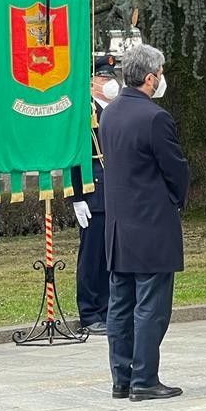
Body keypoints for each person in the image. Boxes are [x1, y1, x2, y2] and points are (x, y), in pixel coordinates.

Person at [99, 44, 188, 401]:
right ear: (150, 78)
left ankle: (122, 377)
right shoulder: (155, 117)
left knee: (120, 304)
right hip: (151, 223)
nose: (161, 79)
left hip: (119, 226)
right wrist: (175, 199)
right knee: (151, 306)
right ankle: (145, 379)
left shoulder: (109, 114)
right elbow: (176, 169)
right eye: (161, 73)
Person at [69, 55, 121, 335]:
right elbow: (74, 158)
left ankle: (110, 308)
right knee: (92, 258)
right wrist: (76, 197)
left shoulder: (115, 111)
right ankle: (89, 313)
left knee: (112, 257)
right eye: (105, 79)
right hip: (93, 195)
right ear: (92, 83)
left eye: (112, 78)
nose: (111, 83)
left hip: (116, 194)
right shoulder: (82, 113)